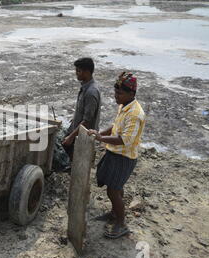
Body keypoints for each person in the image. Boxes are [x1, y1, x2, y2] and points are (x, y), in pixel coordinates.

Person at [88, 72, 146, 239]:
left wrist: (100, 138)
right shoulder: (124, 105)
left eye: (119, 93)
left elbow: (124, 140)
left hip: (124, 158)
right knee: (116, 187)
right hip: (115, 154)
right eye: (115, 92)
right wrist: (99, 133)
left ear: (131, 93)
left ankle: (121, 224)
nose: (116, 96)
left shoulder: (135, 114)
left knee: (113, 191)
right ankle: (114, 214)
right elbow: (115, 127)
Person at [62, 57, 101, 168]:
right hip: (78, 132)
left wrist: (71, 137)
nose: (76, 74)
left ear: (87, 72)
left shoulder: (91, 92)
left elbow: (87, 122)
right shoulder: (86, 87)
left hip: (83, 137)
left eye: (79, 71)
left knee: (80, 164)